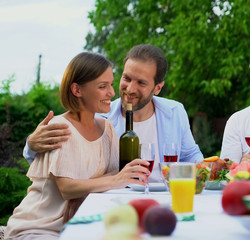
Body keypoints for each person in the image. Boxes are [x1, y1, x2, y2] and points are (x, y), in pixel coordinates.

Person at [5, 52, 149, 239]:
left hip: (80, 222)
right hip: (40, 226)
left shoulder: (107, 128)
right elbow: (67, 188)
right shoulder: (60, 127)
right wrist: (112, 180)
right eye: (102, 86)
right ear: (77, 90)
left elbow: (115, 172)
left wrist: (108, 181)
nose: (112, 93)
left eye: (111, 84)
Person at [23, 44, 204, 183]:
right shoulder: (99, 117)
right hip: (116, 201)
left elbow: (190, 156)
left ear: (157, 88)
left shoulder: (175, 111)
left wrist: (205, 168)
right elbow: (54, 158)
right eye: (126, 78)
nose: (130, 89)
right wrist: (32, 144)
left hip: (168, 197)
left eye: (141, 83)